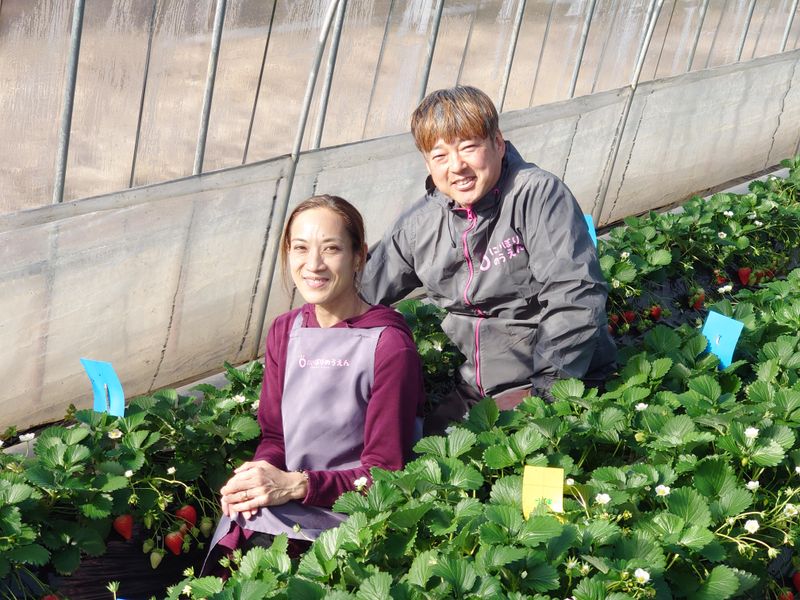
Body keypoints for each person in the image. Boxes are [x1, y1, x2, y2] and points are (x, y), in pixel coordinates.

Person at [360, 85, 616, 435]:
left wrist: (547, 397)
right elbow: (360, 293)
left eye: (468, 147)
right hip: (480, 383)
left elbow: (574, 295)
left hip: (553, 376)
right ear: (427, 163)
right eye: (440, 155)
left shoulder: (536, 195)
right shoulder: (420, 225)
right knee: (413, 447)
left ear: (498, 143)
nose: (457, 166)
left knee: (472, 456)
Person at [203, 195, 425, 572]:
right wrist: (258, 477)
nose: (314, 264)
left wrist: (297, 485)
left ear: (359, 256)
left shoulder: (388, 345)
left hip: (348, 523)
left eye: (331, 249)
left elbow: (385, 474)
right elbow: (276, 438)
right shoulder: (285, 331)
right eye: (301, 248)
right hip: (285, 502)